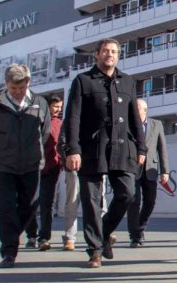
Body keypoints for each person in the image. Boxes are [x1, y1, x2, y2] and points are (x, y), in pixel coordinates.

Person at [62, 38, 147, 268]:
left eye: (114, 52)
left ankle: (105, 231)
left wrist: (141, 147)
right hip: (91, 148)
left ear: (118, 56)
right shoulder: (83, 81)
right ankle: (95, 251)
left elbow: (135, 119)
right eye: (105, 51)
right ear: (96, 55)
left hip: (122, 147)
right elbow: (72, 118)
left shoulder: (127, 81)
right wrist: (72, 149)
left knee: (127, 193)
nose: (110, 55)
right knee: (91, 201)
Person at [0, 64, 51, 268]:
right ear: (6, 84)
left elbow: (44, 134)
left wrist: (34, 153)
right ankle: (9, 251)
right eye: (13, 88)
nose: (17, 92)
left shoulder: (40, 104)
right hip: (2, 166)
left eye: (21, 87)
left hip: (31, 163)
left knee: (31, 203)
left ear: (28, 83)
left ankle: (11, 233)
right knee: (7, 207)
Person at [127, 98, 170, 247]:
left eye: (137, 108)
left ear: (145, 110)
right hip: (132, 169)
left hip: (150, 169)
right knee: (134, 202)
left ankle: (140, 227)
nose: (134, 111)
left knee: (150, 201)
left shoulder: (156, 124)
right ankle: (135, 235)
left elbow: (162, 148)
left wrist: (165, 171)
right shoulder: (128, 124)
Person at [32, 94, 66, 251]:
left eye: (60, 107)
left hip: (52, 167)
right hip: (34, 166)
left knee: (48, 203)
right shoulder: (36, 121)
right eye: (55, 106)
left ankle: (44, 237)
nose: (58, 110)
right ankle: (31, 233)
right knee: (31, 202)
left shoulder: (60, 123)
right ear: (47, 106)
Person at [55, 101, 82, 251]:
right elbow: (62, 142)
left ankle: (103, 234)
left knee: (100, 202)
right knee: (72, 201)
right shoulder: (70, 120)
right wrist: (69, 158)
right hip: (74, 167)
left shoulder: (97, 116)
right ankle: (70, 238)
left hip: (96, 164)